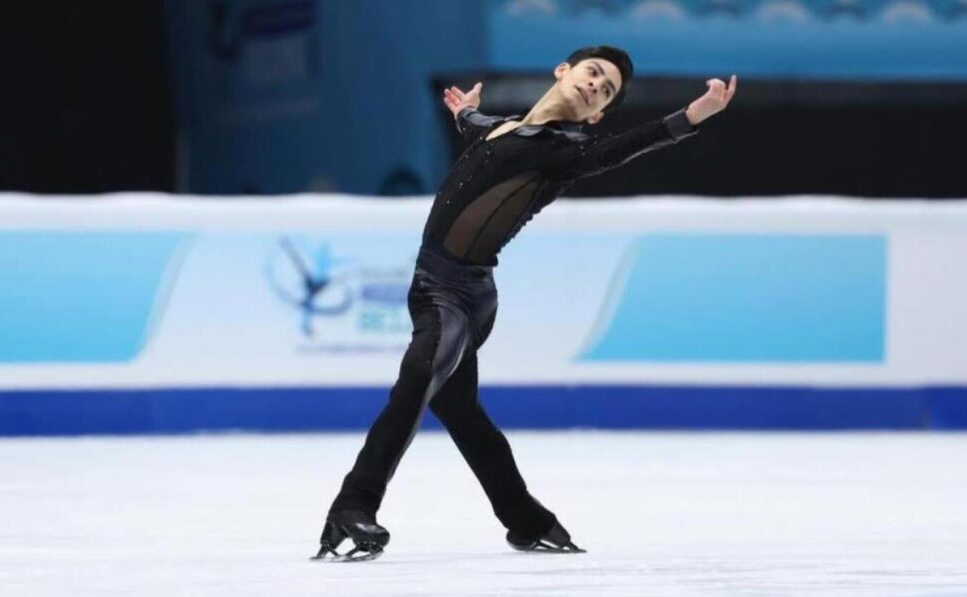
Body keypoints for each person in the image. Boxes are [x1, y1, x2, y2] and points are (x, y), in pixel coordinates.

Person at [313, 46, 737, 561]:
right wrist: (465, 112)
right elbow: (479, 127)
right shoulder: (502, 127)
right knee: (461, 413)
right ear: (564, 70)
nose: (595, 86)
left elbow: (624, 147)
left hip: (456, 298)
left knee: (417, 380)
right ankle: (528, 521)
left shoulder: (567, 152)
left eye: (605, 91)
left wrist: (692, 116)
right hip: (439, 287)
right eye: (593, 73)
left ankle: (353, 505)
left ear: (596, 115)